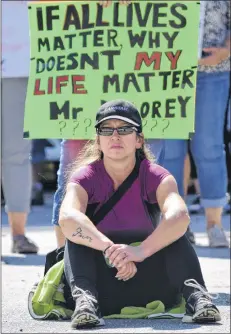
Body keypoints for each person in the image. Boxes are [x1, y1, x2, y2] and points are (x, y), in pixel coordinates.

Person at [59, 99, 221, 329]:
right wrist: (111, 249)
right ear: (98, 140)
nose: (115, 136)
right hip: (101, 286)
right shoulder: (84, 178)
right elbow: (67, 217)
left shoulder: (157, 176)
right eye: (106, 129)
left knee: (174, 232)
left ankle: (198, 298)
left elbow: (180, 216)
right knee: (76, 234)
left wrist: (139, 251)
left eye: (124, 129)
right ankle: (85, 302)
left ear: (138, 140)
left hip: (153, 283)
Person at [51, 0, 165, 248]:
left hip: (140, 56)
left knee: (145, 175)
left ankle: (148, 251)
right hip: (83, 59)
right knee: (71, 177)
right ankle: (63, 260)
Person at [163, 0, 230, 247]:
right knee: (169, 149)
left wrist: (226, 50)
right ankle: (176, 225)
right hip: (164, 71)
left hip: (213, 71)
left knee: (209, 146)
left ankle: (215, 225)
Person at [2, 78, 38, 254]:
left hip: (17, 65)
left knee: (18, 154)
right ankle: (19, 237)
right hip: (17, 64)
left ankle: (18, 235)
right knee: (17, 156)